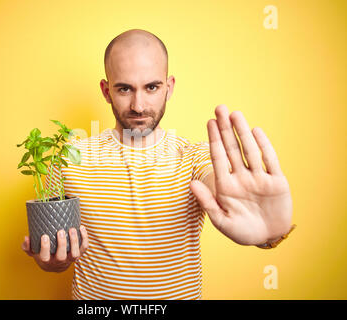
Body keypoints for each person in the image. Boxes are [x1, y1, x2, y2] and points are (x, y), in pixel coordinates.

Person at [21, 29, 295, 299]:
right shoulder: (68, 157)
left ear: (169, 87)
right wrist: (52, 262)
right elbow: (56, 253)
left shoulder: (195, 157)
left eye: (151, 87)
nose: (138, 105)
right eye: (125, 88)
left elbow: (220, 185)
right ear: (106, 91)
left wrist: (268, 234)